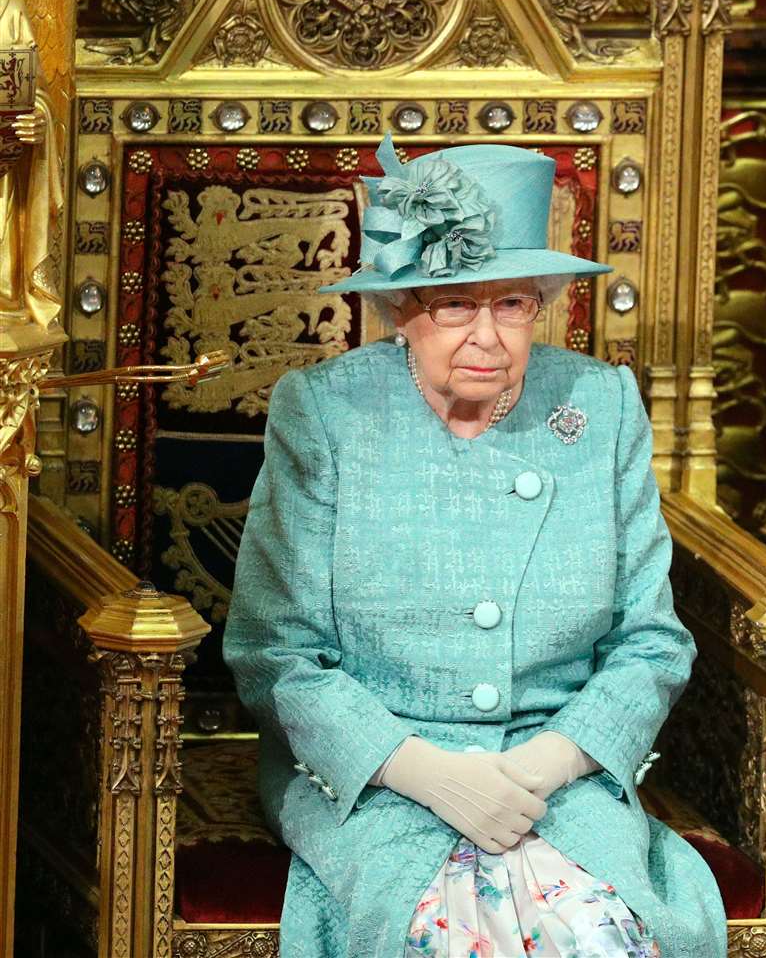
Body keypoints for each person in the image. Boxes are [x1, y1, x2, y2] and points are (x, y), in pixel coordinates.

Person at [223, 135, 726, 958]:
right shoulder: (327, 413)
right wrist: (424, 771)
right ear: (402, 310)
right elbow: (273, 652)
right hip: (377, 779)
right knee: (451, 935)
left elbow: (651, 638)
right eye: (455, 305)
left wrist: (555, 760)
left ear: (542, 304)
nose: (486, 336)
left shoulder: (599, 405)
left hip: (555, 776)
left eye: (513, 305)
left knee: (598, 932)